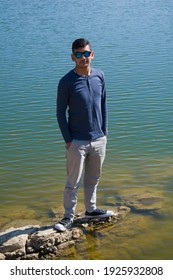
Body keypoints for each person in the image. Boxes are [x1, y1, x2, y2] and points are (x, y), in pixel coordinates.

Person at [54, 38, 114, 231]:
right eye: (79, 54)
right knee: (73, 181)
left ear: (92, 55)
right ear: (73, 57)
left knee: (93, 178)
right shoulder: (66, 82)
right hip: (77, 141)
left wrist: (104, 132)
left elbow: (103, 104)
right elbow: (60, 113)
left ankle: (91, 210)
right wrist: (68, 140)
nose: (83, 58)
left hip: (98, 138)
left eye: (86, 53)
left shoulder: (100, 76)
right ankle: (68, 217)